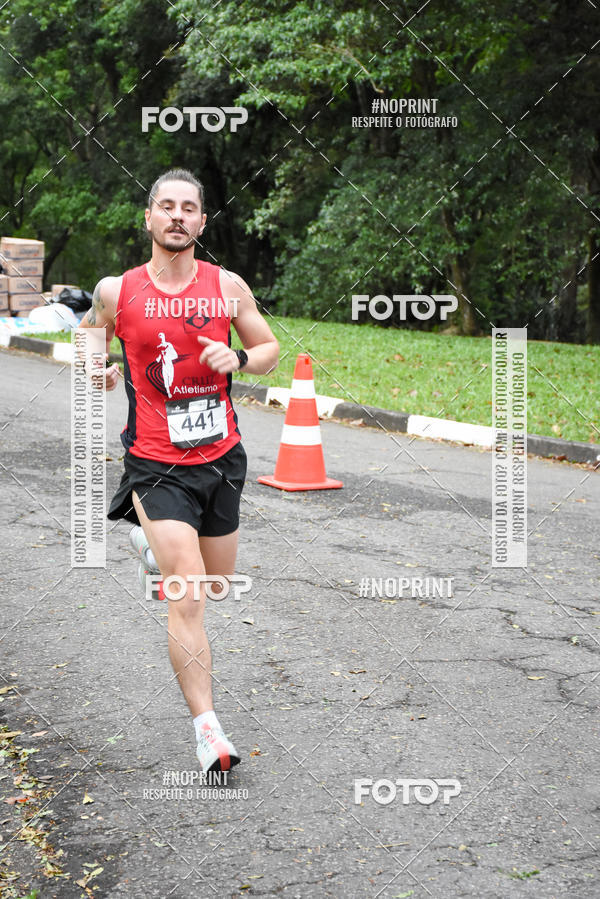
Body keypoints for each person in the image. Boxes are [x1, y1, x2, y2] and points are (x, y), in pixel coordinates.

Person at [77, 168, 279, 773]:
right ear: (148, 217)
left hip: (220, 459)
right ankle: (208, 731)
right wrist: (99, 369)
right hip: (155, 463)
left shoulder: (227, 285)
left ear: (201, 222)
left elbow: (268, 350)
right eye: (165, 206)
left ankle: (145, 548)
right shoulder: (118, 289)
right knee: (188, 590)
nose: (176, 216)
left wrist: (237, 356)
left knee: (214, 585)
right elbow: (89, 335)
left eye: (188, 208)